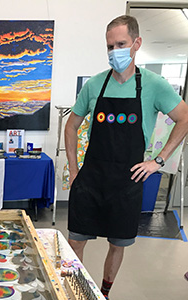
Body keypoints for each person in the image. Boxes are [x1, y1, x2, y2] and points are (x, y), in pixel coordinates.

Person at [65, 15, 188, 299]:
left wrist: (158, 160)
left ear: (136, 43)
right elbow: (71, 126)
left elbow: (183, 118)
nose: (114, 52)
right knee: (75, 242)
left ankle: (104, 293)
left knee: (117, 244)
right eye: (110, 46)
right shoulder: (95, 85)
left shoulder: (155, 85)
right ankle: (73, 292)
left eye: (121, 44)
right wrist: (74, 170)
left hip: (126, 182)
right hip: (91, 178)